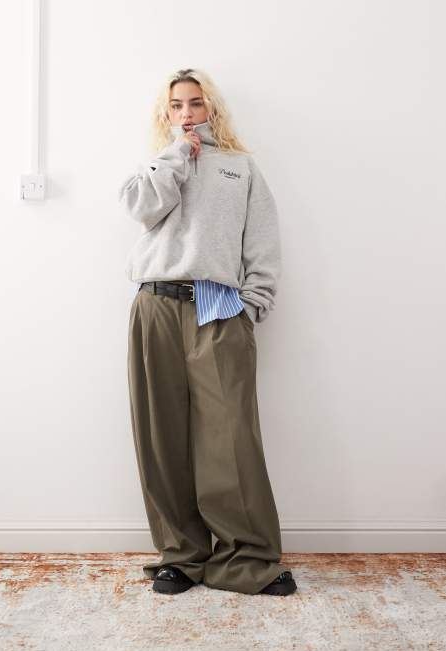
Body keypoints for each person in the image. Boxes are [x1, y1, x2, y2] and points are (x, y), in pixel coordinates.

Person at [119, 68, 297, 597]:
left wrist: (253, 303)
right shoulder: (157, 165)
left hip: (218, 306)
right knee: (161, 434)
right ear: (166, 112)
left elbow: (261, 241)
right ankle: (181, 556)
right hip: (156, 303)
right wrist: (177, 154)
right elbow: (140, 208)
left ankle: (247, 560)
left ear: (211, 107)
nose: (187, 113)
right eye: (176, 105)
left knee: (231, 438)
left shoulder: (240, 168)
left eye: (195, 103)